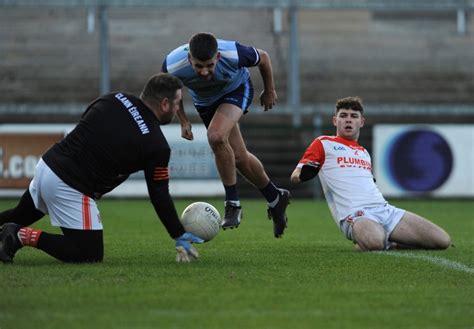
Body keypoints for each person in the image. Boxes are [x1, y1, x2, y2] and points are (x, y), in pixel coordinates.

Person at [0, 73, 204, 264]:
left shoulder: (115, 98)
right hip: (70, 184)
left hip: (48, 165)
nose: (178, 110)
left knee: (20, 213)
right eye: (177, 103)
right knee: (89, 252)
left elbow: (86, 124)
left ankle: (13, 229)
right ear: (165, 103)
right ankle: (20, 235)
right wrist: (177, 232)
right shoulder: (156, 145)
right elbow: (159, 195)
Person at [162, 32, 290, 238]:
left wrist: (269, 90)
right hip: (205, 102)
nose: (204, 72)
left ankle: (233, 204)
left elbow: (264, 57)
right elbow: (170, 91)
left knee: (215, 137)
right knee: (238, 157)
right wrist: (183, 120)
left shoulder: (233, 53)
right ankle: (275, 197)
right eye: (198, 67)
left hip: (237, 90)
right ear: (189, 60)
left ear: (218, 58)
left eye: (210, 66)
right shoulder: (172, 64)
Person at [290, 96, 451, 251]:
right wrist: (305, 174)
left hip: (384, 209)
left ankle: (388, 242)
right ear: (335, 120)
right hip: (355, 215)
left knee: (442, 240)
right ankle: (380, 240)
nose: (348, 120)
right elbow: (295, 176)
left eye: (354, 116)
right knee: (374, 243)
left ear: (361, 122)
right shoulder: (323, 143)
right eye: (343, 116)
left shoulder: (364, 153)